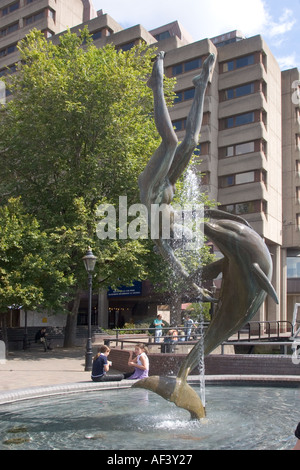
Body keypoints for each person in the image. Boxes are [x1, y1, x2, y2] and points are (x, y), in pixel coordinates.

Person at [138, 51, 215, 302]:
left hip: (151, 187)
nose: (181, 229)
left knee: (171, 142)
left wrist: (192, 287)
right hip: (166, 185)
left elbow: (176, 266)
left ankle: (156, 85)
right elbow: (182, 266)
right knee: (191, 141)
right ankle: (201, 85)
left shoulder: (158, 237)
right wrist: (197, 288)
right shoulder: (170, 222)